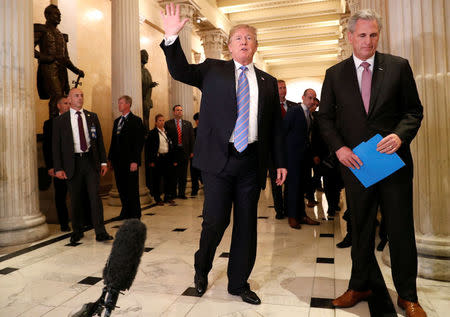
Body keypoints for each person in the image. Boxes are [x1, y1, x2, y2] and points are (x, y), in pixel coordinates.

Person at [160, 3, 286, 305]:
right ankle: (201, 268)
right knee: (215, 222)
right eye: (238, 37)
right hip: (218, 161)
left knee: (247, 225)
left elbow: (274, 129)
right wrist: (170, 37)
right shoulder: (212, 69)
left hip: (251, 163)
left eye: (249, 38)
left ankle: (238, 282)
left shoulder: (268, 82)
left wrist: (278, 163)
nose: (244, 41)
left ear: (256, 45)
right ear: (229, 45)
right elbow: (179, 70)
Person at [318, 10, 425, 316]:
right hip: (356, 165)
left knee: (400, 229)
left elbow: (413, 111)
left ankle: (408, 296)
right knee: (360, 227)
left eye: (373, 35)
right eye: (362, 35)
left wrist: (400, 136)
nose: (368, 41)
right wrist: (339, 149)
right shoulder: (335, 74)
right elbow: (324, 118)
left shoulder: (397, 67)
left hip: (393, 164)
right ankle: (359, 285)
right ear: (350, 37)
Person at [52, 88, 113, 244]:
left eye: (81, 95)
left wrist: (103, 162)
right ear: (70, 100)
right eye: (76, 96)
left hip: (90, 162)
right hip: (72, 164)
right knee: (75, 199)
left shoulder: (92, 117)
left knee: (95, 197)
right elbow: (56, 146)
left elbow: (99, 141)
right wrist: (58, 168)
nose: (80, 98)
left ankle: (100, 231)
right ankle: (77, 231)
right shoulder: (60, 121)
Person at [34, 4, 84, 118]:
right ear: (47, 15)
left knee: (63, 96)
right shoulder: (41, 30)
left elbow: (66, 59)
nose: (59, 17)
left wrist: (77, 71)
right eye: (56, 14)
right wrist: (45, 58)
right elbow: (28, 47)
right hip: (49, 68)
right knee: (56, 95)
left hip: (61, 69)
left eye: (60, 15)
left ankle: (62, 124)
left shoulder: (61, 35)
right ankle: (54, 125)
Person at [283, 90, 320, 229]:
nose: (311, 101)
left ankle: (302, 215)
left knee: (301, 187)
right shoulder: (294, 111)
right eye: (309, 98)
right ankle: (292, 217)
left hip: (304, 158)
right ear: (303, 97)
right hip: (292, 157)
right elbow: (284, 131)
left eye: (313, 98)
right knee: (293, 186)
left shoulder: (309, 115)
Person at [108, 95, 145, 220]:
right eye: (118, 103)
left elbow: (138, 143)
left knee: (132, 188)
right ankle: (125, 211)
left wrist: (135, 160)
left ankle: (135, 213)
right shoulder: (117, 121)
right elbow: (113, 141)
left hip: (130, 162)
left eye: (121, 103)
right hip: (118, 162)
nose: (119, 105)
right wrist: (110, 159)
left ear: (128, 104)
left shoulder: (136, 120)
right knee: (121, 188)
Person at [269, 80, 297, 219]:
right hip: (274, 152)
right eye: (280, 88)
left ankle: (290, 208)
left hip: (291, 150)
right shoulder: (270, 106)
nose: (282, 90)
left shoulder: (294, 106)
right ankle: (279, 210)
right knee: (276, 183)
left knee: (291, 181)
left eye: (284, 87)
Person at [43, 96, 71, 232]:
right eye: (65, 103)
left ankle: (83, 220)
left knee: (78, 194)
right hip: (59, 166)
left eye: (69, 103)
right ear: (59, 106)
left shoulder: (76, 120)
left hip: (75, 166)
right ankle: (64, 223)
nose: (68, 105)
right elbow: (47, 147)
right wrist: (51, 166)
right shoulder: (49, 124)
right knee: (60, 196)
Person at [164, 105, 195, 199]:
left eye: (181, 110)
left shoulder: (188, 124)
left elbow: (192, 139)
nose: (179, 112)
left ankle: (182, 193)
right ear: (174, 112)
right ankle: (173, 193)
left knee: (183, 174)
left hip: (184, 152)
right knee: (173, 174)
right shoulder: (168, 124)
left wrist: (192, 151)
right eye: (177, 110)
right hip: (173, 152)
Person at [146, 114, 177, 205]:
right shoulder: (152, 133)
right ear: (156, 122)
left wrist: (173, 159)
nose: (162, 122)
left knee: (168, 178)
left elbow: (171, 146)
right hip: (157, 159)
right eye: (160, 120)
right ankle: (157, 198)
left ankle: (168, 196)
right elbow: (149, 148)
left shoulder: (167, 133)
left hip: (167, 158)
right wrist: (151, 161)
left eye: (163, 120)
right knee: (157, 179)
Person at [300, 88, 319, 208]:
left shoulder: (314, 117)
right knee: (304, 178)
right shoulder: (298, 112)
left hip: (311, 152)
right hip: (302, 153)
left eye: (316, 104)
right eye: (310, 99)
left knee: (312, 176)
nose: (313, 104)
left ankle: (309, 196)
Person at [141, 49, 159, 132]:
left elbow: (147, 83)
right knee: (143, 118)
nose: (147, 57)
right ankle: (144, 133)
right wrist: (149, 85)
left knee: (146, 118)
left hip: (147, 99)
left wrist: (151, 84)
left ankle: (146, 133)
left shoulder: (146, 71)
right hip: (142, 99)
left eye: (147, 56)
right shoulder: (138, 70)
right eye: (145, 55)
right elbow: (141, 83)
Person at [190, 112, 202, 196]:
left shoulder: (206, 130)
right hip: (194, 154)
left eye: (199, 119)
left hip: (204, 155)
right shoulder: (193, 130)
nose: (198, 121)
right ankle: (194, 189)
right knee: (194, 173)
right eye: (196, 120)